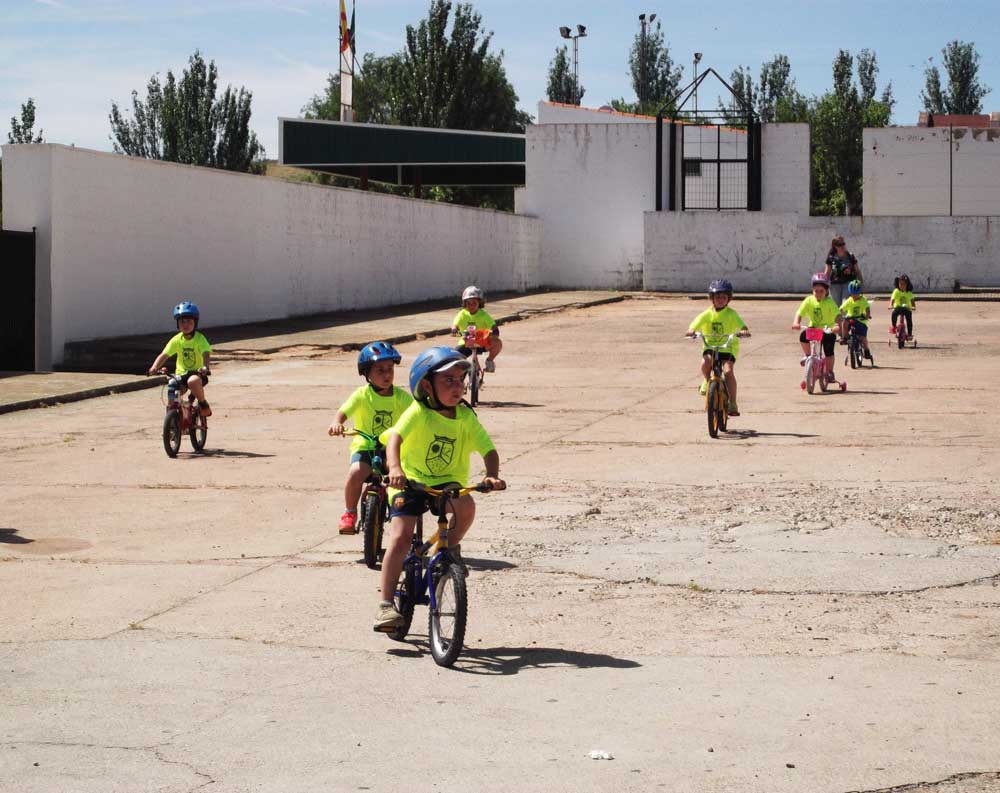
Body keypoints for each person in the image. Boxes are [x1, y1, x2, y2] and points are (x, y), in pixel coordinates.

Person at [373, 346, 505, 631]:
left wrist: (492, 475)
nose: (458, 386)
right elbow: (395, 439)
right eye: (448, 380)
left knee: (467, 507)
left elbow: (488, 449)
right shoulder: (418, 411)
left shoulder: (465, 417)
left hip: (446, 483)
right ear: (426, 386)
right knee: (400, 537)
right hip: (409, 481)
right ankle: (385, 606)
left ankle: (449, 548)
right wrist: (394, 469)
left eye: (460, 380)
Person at [328, 342, 411, 534]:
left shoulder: (401, 397)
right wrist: (337, 423)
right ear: (367, 373)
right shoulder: (362, 395)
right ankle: (349, 513)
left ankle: (401, 513)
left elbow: (416, 414)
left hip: (390, 447)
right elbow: (343, 412)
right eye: (380, 370)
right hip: (365, 446)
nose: (386, 374)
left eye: (390, 369)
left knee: (399, 476)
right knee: (356, 472)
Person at [685, 279, 751, 417]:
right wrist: (691, 330)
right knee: (706, 363)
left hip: (728, 347)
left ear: (729, 299)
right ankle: (707, 380)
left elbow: (742, 325)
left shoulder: (731, 314)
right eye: (717, 297)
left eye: (724, 297)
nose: (720, 300)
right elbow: (695, 323)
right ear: (712, 298)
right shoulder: (707, 314)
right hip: (711, 346)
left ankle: (733, 402)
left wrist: (744, 330)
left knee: (728, 372)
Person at [148, 301, 213, 417]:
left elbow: (206, 353)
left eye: (189, 321)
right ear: (178, 324)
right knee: (172, 388)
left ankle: (203, 404)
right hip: (181, 374)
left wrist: (205, 367)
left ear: (195, 323)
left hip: (197, 373)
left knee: (192, 381)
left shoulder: (199, 339)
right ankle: (173, 422)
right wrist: (154, 367)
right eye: (182, 321)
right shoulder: (176, 340)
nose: (185, 324)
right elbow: (164, 355)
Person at [792, 272, 841, 383]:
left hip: (827, 329)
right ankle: (808, 356)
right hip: (813, 328)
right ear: (812, 290)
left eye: (821, 291)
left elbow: (837, 314)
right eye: (816, 291)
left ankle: (829, 371)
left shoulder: (829, 302)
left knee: (828, 351)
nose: (818, 294)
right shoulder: (809, 300)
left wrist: (837, 325)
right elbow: (799, 312)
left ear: (826, 291)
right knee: (803, 336)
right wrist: (796, 322)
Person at [451, 286, 502, 372]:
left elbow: (493, 326)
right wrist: (454, 330)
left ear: (479, 303)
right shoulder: (462, 314)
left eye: (474, 303)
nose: (471, 306)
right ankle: (461, 378)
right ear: (464, 303)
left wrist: (494, 333)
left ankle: (489, 361)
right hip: (466, 342)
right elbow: (454, 325)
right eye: (468, 303)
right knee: (454, 359)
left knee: (497, 343)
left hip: (481, 340)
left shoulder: (483, 315)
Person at [824, 235, 863, 311]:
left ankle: (845, 322)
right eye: (839, 245)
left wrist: (860, 282)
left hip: (848, 283)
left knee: (845, 305)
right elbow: (827, 272)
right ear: (835, 246)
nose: (842, 246)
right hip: (834, 285)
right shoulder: (831, 257)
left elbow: (857, 270)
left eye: (843, 244)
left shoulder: (850, 256)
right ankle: (839, 323)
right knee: (836, 307)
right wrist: (824, 285)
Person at [839, 279, 874, 361]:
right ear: (850, 293)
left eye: (857, 294)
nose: (855, 296)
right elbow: (841, 308)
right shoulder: (849, 301)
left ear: (860, 293)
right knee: (844, 323)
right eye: (853, 294)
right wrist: (838, 314)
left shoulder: (863, 300)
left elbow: (867, 309)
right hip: (850, 318)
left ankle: (866, 350)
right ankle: (845, 338)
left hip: (860, 320)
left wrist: (867, 315)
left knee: (863, 337)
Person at [889, 273, 916, 340]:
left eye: (904, 284)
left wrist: (913, 307)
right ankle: (894, 327)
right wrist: (890, 305)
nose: (902, 286)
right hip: (898, 307)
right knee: (894, 314)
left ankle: (909, 334)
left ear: (907, 285)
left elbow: (913, 303)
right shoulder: (896, 291)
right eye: (900, 284)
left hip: (907, 308)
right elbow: (892, 300)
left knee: (909, 319)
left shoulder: (909, 293)